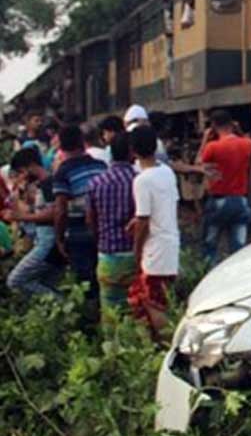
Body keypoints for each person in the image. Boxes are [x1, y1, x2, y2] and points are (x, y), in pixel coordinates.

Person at [128, 125, 179, 334]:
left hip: (154, 251)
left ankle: (166, 346)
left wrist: (136, 250)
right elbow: (169, 205)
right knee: (157, 298)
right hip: (170, 243)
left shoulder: (142, 181)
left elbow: (144, 221)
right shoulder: (166, 172)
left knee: (153, 302)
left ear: (133, 151)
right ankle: (156, 344)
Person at [53, 124, 107, 299]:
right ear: (83, 143)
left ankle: (90, 320)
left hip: (79, 234)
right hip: (104, 229)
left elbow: (61, 210)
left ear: (61, 146)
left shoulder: (63, 172)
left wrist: (59, 238)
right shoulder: (101, 166)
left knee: (86, 282)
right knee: (103, 279)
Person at [86, 134, 137, 316]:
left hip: (107, 256)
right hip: (135, 255)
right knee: (135, 309)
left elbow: (90, 220)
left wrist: (100, 240)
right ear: (132, 152)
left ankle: (112, 343)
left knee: (111, 313)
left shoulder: (96, 183)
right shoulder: (138, 180)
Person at [197, 109, 251, 265]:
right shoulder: (247, 144)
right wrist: (239, 130)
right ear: (232, 124)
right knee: (239, 251)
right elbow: (246, 139)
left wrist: (205, 139)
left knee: (210, 248)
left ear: (213, 126)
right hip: (240, 202)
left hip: (218, 201)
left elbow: (198, 164)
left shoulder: (212, 147)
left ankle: (209, 278)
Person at [4, 147, 62, 297]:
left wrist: (19, 217)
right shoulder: (41, 186)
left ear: (30, 167)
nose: (22, 177)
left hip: (48, 244)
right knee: (44, 283)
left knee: (15, 280)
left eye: (22, 172)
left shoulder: (48, 184)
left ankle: (62, 303)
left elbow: (53, 213)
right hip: (45, 242)